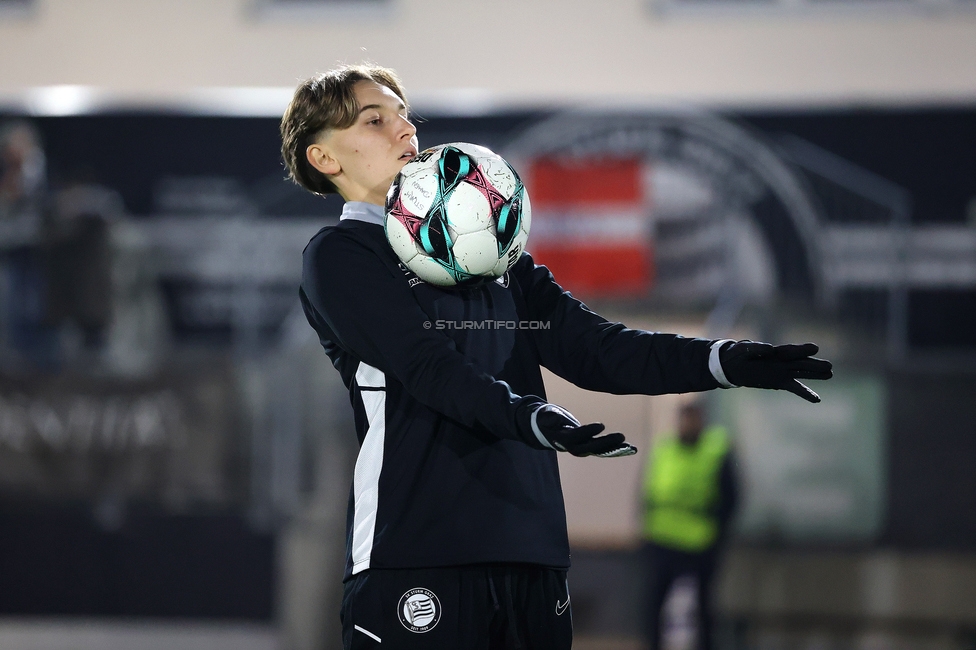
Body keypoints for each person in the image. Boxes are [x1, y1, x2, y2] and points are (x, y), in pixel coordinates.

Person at [280, 63, 831, 650]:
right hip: (418, 554)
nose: (405, 130)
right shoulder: (340, 256)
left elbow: (598, 349)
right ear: (325, 159)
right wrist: (531, 417)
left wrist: (724, 361)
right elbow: (428, 367)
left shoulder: (495, 252)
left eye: (404, 114)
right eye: (375, 119)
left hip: (533, 553)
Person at [640, 401, 738, 650]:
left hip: (700, 541)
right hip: (662, 539)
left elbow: (731, 497)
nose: (689, 425)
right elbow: (648, 493)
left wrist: (718, 534)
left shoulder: (716, 449)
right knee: (653, 605)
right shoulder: (664, 449)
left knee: (704, 606)